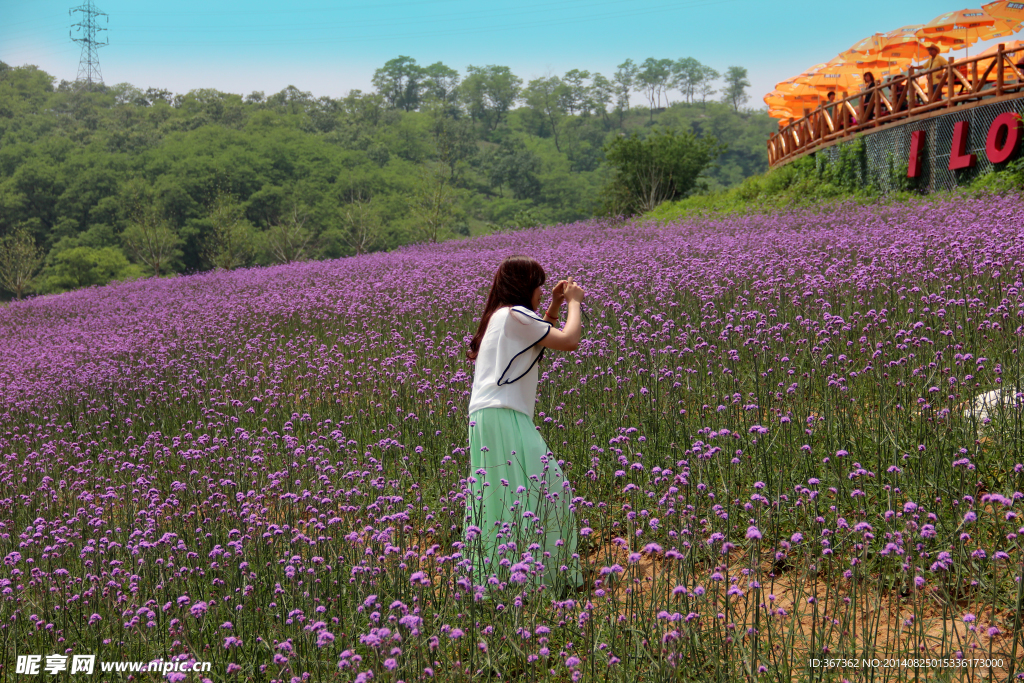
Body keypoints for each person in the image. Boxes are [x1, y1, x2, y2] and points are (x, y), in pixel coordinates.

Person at [464, 255, 586, 598]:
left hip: (490, 415)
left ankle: (510, 582)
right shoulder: (515, 315)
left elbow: (536, 344)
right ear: (525, 287)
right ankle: (541, 582)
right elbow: (569, 340)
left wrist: (554, 305)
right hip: (503, 414)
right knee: (549, 490)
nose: (540, 292)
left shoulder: (502, 316)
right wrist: (575, 303)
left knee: (503, 499)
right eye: (539, 286)